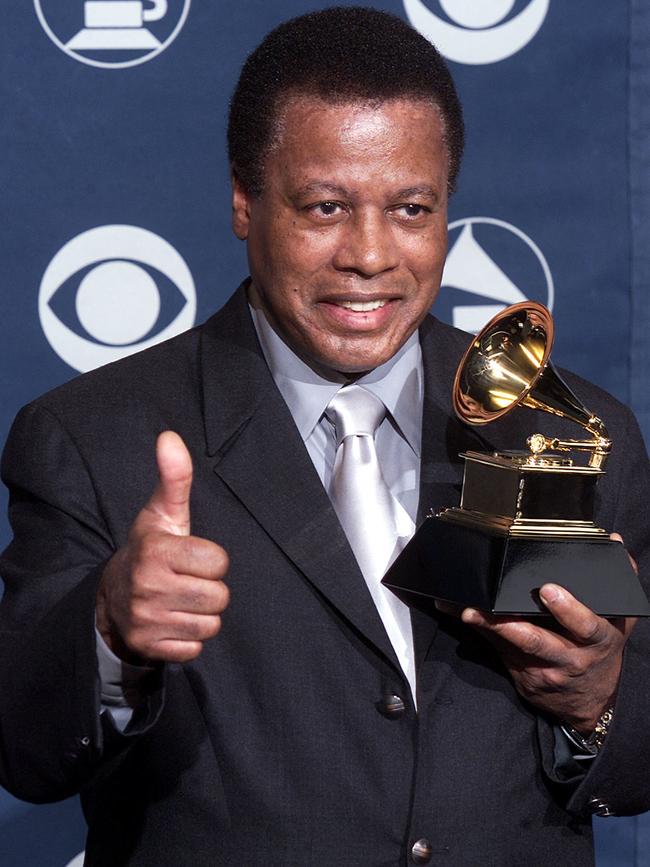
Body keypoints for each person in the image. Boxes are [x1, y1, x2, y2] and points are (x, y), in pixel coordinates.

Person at [1, 7, 649, 866]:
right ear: (244, 200)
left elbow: (636, 759)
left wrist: (600, 699)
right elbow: (27, 750)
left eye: (411, 208)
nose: (371, 254)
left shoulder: (569, 430)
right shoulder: (91, 438)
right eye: (326, 207)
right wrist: (111, 635)